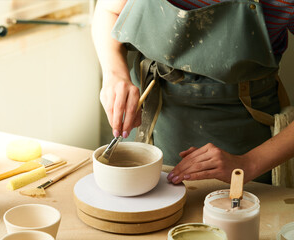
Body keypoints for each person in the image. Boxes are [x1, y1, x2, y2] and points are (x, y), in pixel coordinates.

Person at [91, 0, 294, 185]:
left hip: (243, 147)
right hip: (148, 121)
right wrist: (115, 74)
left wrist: (249, 164)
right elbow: (109, 10)